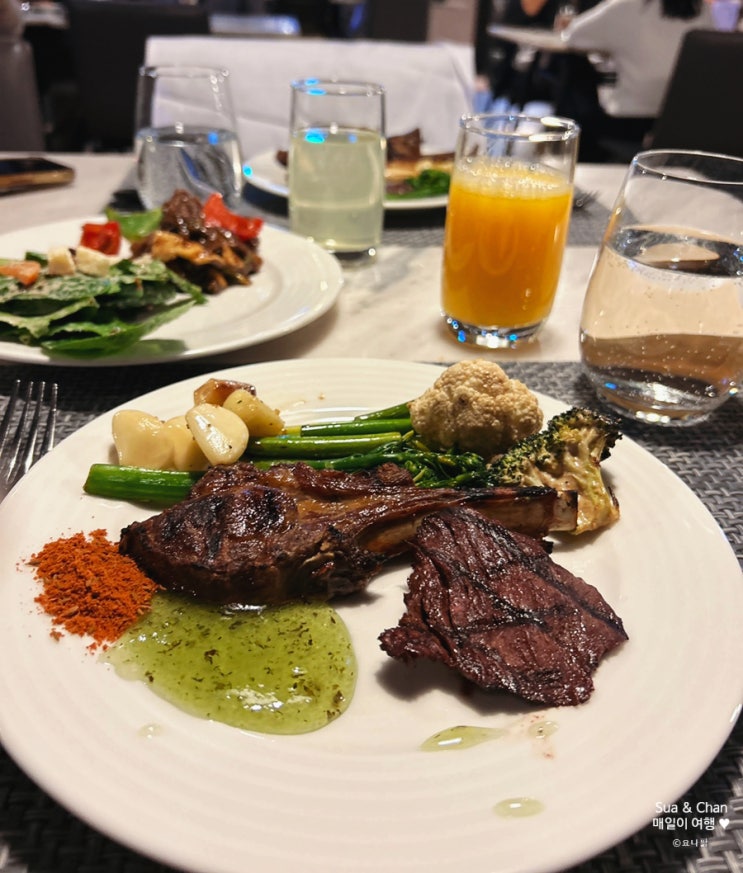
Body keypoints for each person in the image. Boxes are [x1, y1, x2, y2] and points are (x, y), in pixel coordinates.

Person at [560, 0, 714, 158]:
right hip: (681, 124)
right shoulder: (702, 10)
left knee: (573, 71)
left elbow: (572, 35)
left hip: (628, 124)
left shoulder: (626, 5)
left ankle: (569, 150)